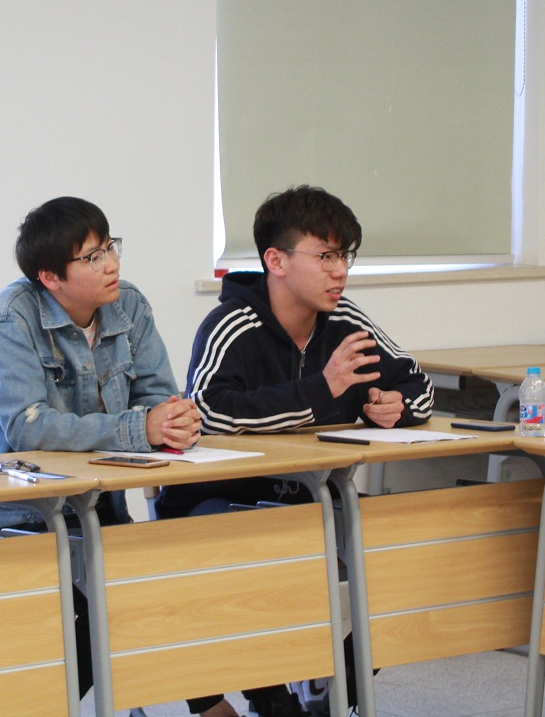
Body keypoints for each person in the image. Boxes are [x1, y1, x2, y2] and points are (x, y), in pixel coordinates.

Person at [155, 185, 435, 717]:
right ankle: (265, 697)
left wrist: (394, 407)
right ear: (276, 261)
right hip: (220, 501)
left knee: (409, 555)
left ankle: (334, 690)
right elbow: (209, 413)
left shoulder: (347, 322)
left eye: (345, 256)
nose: (340, 272)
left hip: (313, 501)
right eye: (325, 256)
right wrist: (320, 391)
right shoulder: (232, 325)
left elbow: (419, 384)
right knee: (263, 564)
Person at [0, 197, 200, 702]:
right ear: (50, 277)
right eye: (92, 257)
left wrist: (173, 422)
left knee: (173, 594)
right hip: (14, 515)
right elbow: (30, 428)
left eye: (110, 248)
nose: (111, 264)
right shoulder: (11, 317)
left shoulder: (129, 305)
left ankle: (231, 701)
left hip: (98, 511)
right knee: (96, 623)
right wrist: (141, 428)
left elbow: (158, 398)